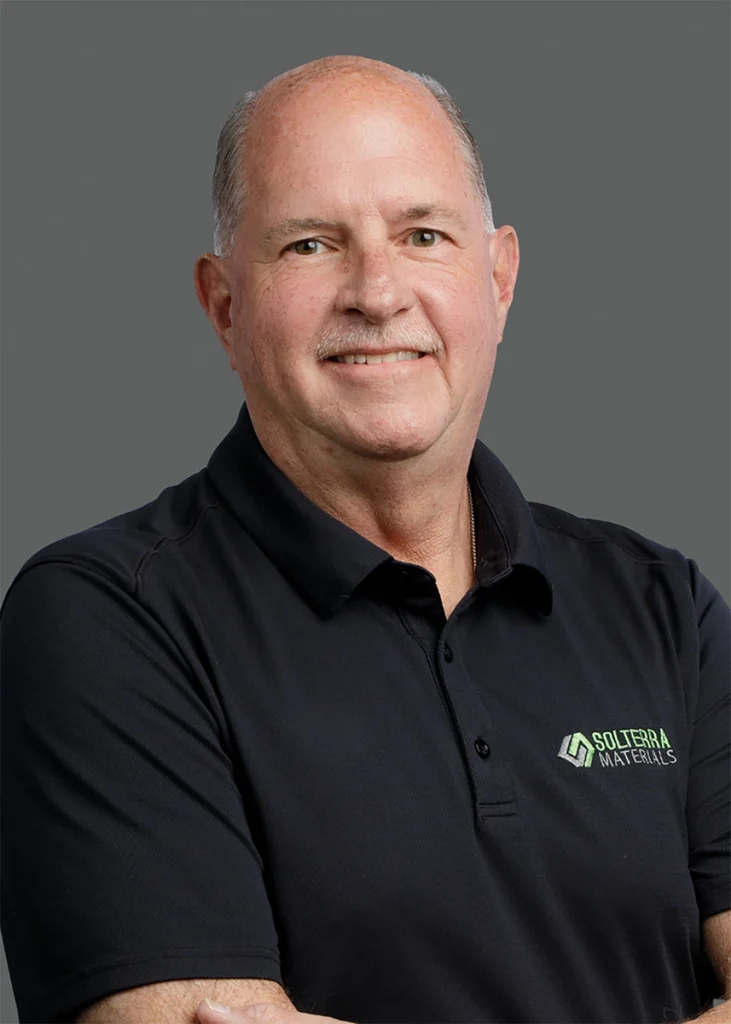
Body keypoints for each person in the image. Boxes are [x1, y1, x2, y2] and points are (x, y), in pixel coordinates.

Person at [1, 54, 729, 1024]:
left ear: (498, 278)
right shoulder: (104, 620)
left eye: (421, 234)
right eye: (310, 245)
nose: (376, 292)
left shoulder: (661, 607)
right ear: (224, 305)